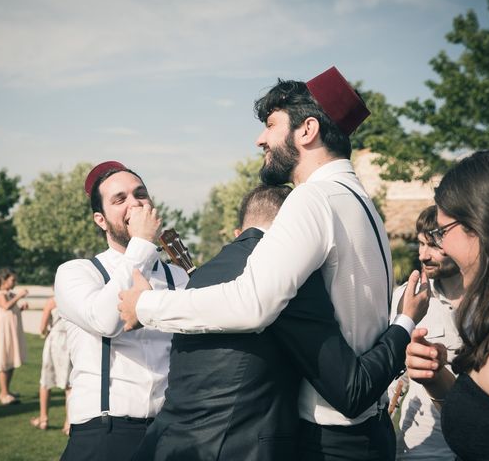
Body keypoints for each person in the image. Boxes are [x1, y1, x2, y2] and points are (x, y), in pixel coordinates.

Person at [120, 66, 429, 460]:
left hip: (328, 442)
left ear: (306, 130)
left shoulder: (312, 199)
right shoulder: (362, 203)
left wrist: (145, 306)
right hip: (370, 432)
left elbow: (252, 304)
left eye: (270, 124)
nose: (259, 139)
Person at [135, 184, 420, 460]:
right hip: (238, 449)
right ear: (292, 226)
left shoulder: (201, 276)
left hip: (168, 443)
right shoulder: (287, 281)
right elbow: (352, 391)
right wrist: (405, 322)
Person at [54, 161, 189, 461]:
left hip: (171, 431)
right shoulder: (77, 273)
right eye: (120, 199)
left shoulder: (177, 277)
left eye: (140, 194)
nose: (135, 203)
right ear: (100, 220)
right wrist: (141, 244)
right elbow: (105, 320)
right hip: (105, 433)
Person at [404, 150, 489, 460]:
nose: (441, 247)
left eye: (442, 232)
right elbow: (488, 425)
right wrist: (437, 377)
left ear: (481, 225)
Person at [390, 205, 464, 460]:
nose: (423, 255)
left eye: (433, 245)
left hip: (479, 446)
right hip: (422, 447)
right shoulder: (406, 297)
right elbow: (392, 372)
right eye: (420, 244)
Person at [0, 267, 29, 405]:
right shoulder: (0, 294)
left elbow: (11, 310)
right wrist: (19, 296)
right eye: (12, 280)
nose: (15, 283)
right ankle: (3, 394)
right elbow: (5, 306)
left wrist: (20, 308)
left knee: (11, 360)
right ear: (4, 280)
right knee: (4, 362)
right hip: (4, 333)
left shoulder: (9, 294)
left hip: (12, 331)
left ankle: (7, 391)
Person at [30, 295, 72, 435]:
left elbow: (42, 328)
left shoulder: (52, 301)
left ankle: (43, 419)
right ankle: (68, 423)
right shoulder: (72, 300)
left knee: (45, 381)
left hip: (54, 340)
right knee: (69, 384)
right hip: (69, 341)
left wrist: (46, 331)